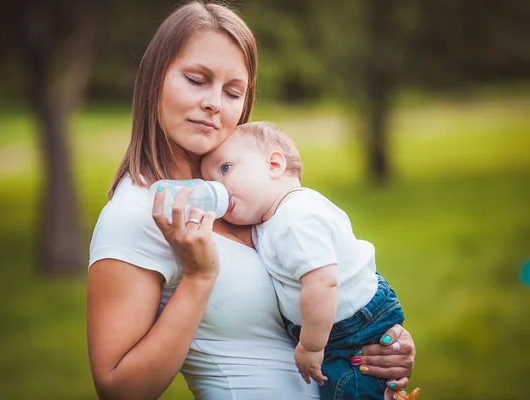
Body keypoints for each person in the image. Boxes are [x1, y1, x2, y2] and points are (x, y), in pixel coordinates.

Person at [86, 2, 416, 400]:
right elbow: (119, 390)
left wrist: (381, 340)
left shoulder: (246, 197)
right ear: (154, 79)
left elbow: (313, 285)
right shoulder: (137, 214)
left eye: (232, 91)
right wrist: (198, 278)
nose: (214, 103)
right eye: (196, 79)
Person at [200, 121, 408, 399]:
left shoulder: (293, 219)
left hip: (347, 331)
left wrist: (310, 347)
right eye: (210, 182)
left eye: (225, 169)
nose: (218, 189)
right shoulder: (274, 218)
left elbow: (322, 283)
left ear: (274, 164)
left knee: (348, 388)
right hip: (343, 322)